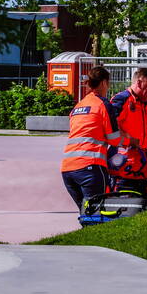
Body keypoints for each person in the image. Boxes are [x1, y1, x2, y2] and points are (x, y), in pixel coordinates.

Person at [61, 66, 121, 211]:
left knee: (86, 214)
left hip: (68, 169)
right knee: (95, 215)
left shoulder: (78, 106)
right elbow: (114, 140)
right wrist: (128, 138)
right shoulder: (103, 104)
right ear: (103, 83)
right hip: (90, 167)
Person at [108, 68, 147, 196]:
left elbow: (143, 129)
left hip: (139, 163)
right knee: (122, 201)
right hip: (123, 164)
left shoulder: (143, 104)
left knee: (141, 201)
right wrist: (129, 141)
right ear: (139, 83)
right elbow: (111, 128)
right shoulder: (122, 100)